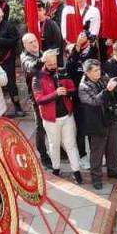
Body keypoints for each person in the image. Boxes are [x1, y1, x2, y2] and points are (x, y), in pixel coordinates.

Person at [33, 50, 82, 184]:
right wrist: (55, 94)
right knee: (54, 144)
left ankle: (76, 171)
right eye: (50, 64)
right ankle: (56, 168)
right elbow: (39, 99)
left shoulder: (62, 72)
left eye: (55, 63)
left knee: (70, 144)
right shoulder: (38, 77)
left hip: (67, 115)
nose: (53, 66)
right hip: (50, 119)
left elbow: (73, 88)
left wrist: (67, 92)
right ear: (44, 62)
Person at [78, 59, 117, 191]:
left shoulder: (102, 79)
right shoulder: (84, 87)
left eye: (99, 70)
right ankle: (96, 178)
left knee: (113, 147)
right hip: (97, 123)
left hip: (110, 118)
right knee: (97, 152)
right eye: (95, 71)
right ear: (87, 72)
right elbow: (94, 102)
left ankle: (113, 169)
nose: (99, 73)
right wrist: (107, 90)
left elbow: (114, 87)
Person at [0, 5, 23, 116]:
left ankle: (17, 106)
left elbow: (14, 41)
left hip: (7, 59)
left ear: (3, 13)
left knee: (11, 84)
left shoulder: (9, 26)